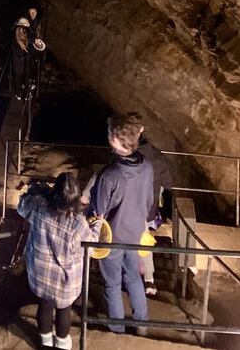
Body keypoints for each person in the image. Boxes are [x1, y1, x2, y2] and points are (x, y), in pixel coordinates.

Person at [88, 113, 153, 334]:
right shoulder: (147, 168)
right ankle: (142, 325)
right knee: (134, 277)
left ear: (115, 140)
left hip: (112, 238)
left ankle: (117, 330)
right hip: (134, 233)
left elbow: (99, 212)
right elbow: (148, 202)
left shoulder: (110, 175)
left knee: (113, 284)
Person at [18, 173, 90, 350]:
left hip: (41, 272)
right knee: (64, 310)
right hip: (65, 278)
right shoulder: (78, 223)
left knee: (44, 304)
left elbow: (21, 205)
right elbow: (92, 246)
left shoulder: (38, 207)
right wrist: (96, 225)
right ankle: (62, 344)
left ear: (55, 193)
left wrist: (38, 191)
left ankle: (45, 343)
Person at [126, 111, 173, 296]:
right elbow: (169, 183)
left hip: (126, 209)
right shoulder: (156, 156)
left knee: (124, 241)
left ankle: (129, 276)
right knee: (144, 241)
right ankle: (149, 280)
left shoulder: (124, 155)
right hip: (147, 209)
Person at [11, 17, 31, 99]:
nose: (26, 27)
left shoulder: (22, 32)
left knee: (21, 78)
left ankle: (23, 93)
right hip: (20, 63)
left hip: (22, 63)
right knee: (19, 78)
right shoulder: (18, 39)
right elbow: (18, 52)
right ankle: (20, 93)